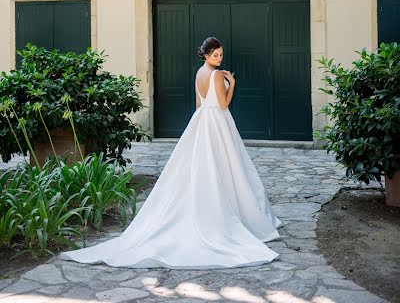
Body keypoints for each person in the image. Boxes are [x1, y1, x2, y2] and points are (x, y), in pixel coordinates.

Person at [60, 36, 282, 269]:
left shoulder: (199, 74)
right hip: (218, 121)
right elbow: (224, 105)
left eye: (221, 54)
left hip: (202, 120)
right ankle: (235, 212)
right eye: (215, 55)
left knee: (209, 165)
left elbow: (199, 104)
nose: (219, 58)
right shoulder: (217, 75)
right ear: (205, 55)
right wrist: (232, 84)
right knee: (227, 166)